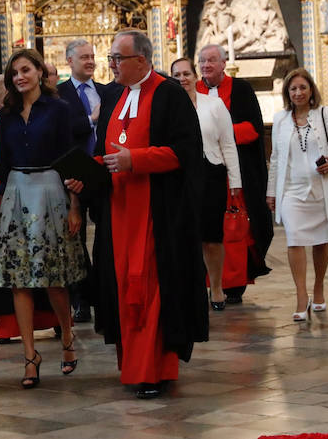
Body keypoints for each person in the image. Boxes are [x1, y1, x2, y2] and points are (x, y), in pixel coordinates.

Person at [93, 30, 208, 399]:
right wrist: (86, 173)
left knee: (151, 289)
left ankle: (153, 369)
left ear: (141, 60)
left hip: (157, 213)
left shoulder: (169, 94)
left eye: (117, 58)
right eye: (111, 58)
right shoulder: (114, 97)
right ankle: (133, 366)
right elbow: (103, 149)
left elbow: (185, 153)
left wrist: (135, 160)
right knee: (123, 288)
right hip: (119, 213)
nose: (111, 64)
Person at [0, 49, 87, 388]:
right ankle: (30, 356)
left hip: (51, 189)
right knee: (19, 279)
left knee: (54, 278)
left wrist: (75, 205)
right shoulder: (6, 114)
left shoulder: (59, 110)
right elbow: (3, 164)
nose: (20, 77)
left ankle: (66, 338)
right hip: (17, 191)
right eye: (14, 73)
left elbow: (70, 158)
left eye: (25, 70)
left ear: (38, 72)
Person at [0, 75, 61, 344]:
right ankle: (8, 326)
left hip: (39, 206)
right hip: (0, 210)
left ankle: (54, 320)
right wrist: (7, 199)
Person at [267, 68, 328, 320]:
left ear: (311, 90)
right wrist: (271, 192)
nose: (298, 92)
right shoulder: (280, 120)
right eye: (293, 88)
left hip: (320, 189)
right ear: (287, 93)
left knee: (321, 242)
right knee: (294, 239)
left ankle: (319, 287)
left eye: (302, 87)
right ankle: (301, 295)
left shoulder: (326, 115)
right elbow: (276, 158)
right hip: (292, 190)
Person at [195, 43, 273, 303]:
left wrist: (223, 135)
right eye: (202, 61)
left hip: (237, 171)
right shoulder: (193, 91)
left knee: (235, 229)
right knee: (208, 230)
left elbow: (253, 129)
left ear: (223, 63)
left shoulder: (241, 89)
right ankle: (210, 281)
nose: (206, 66)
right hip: (206, 171)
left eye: (212, 61)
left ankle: (234, 283)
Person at [171, 57, 242, 311]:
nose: (182, 79)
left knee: (212, 236)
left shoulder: (214, 105)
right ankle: (192, 289)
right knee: (186, 236)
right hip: (179, 177)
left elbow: (228, 144)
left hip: (211, 172)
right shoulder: (168, 108)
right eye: (177, 75)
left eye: (186, 74)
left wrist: (235, 182)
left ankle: (217, 287)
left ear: (195, 76)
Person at [56, 39, 107, 323]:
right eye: (84, 57)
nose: (90, 61)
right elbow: (61, 130)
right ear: (70, 61)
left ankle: (102, 292)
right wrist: (90, 119)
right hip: (72, 173)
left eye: (92, 56)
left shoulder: (107, 90)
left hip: (102, 172)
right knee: (74, 241)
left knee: (104, 234)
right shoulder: (58, 94)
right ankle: (80, 299)